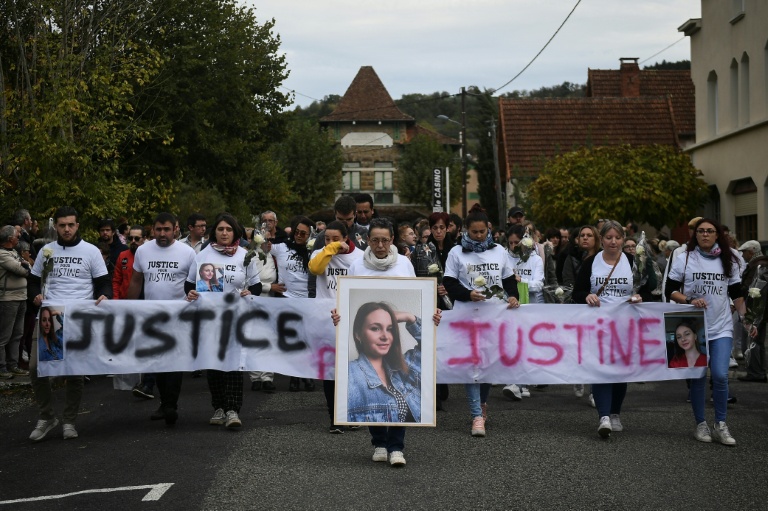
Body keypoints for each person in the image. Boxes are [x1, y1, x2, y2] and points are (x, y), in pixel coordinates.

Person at [332, 217, 438, 467]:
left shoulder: (404, 264)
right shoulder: (357, 265)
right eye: (375, 240)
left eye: (385, 240)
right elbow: (344, 299)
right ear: (368, 240)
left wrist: (417, 316)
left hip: (393, 346)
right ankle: (379, 443)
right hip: (365, 345)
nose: (380, 245)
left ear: (392, 240)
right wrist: (339, 315)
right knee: (371, 388)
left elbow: (419, 293)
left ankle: (396, 447)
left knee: (397, 384)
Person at [28, 206, 112, 441]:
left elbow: (104, 282)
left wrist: (105, 295)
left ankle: (69, 420)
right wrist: (35, 296)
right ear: (56, 226)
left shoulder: (91, 251)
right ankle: (46, 416)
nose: (67, 229)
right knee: (35, 368)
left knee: (75, 372)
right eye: (62, 225)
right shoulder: (46, 251)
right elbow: (33, 281)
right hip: (50, 315)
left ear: (77, 226)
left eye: (71, 225)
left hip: (78, 316)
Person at [666, 218, 748, 446]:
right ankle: (700, 424)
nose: (705, 234)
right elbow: (670, 290)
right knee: (698, 376)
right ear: (695, 235)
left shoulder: (729, 258)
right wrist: (689, 299)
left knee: (720, 375)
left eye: (710, 231)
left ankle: (720, 424)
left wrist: (747, 320)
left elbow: (736, 292)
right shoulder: (685, 258)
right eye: (701, 231)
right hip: (694, 327)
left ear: (717, 234)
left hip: (721, 326)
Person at [443, 204, 520, 437]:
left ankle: (483, 403)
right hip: (466, 316)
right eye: (474, 232)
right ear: (465, 231)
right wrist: (468, 294)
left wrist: (513, 295)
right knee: (472, 365)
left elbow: (508, 279)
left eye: (482, 232)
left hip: (493, 316)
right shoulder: (456, 252)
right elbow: (449, 282)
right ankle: (476, 414)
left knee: (487, 364)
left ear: (489, 229)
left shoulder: (499, 251)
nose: (478, 236)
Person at [186, 213, 261, 429]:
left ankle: (233, 410)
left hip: (236, 318)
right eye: (220, 229)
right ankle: (218, 407)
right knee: (214, 363)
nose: (224, 233)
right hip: (210, 319)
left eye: (228, 229)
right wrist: (191, 293)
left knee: (235, 363)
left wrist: (250, 292)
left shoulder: (245, 255)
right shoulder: (203, 255)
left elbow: (255, 285)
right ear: (214, 232)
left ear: (235, 232)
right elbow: (190, 283)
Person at [574, 220, 642, 439]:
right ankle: (603, 416)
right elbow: (577, 292)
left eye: (618, 238)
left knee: (620, 372)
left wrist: (639, 296)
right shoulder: (591, 262)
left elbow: (648, 288)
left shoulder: (631, 262)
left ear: (623, 239)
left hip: (625, 326)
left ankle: (615, 413)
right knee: (601, 369)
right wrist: (587, 295)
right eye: (609, 237)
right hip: (598, 325)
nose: (613, 242)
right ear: (601, 239)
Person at [128, 212, 197, 426]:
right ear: (152, 230)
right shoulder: (143, 250)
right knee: (157, 361)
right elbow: (136, 281)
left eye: (167, 229)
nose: (162, 233)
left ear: (175, 229)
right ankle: (165, 403)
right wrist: (127, 307)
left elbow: (194, 284)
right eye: (158, 229)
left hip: (179, 316)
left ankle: (170, 406)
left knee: (174, 361)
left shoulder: (187, 253)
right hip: (152, 316)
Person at [308, 220, 363, 433]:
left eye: (335, 238)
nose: (330, 242)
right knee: (331, 370)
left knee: (353, 368)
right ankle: (335, 418)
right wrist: (331, 248)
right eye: (327, 238)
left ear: (346, 237)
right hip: (327, 320)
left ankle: (352, 413)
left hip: (352, 317)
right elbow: (315, 269)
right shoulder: (320, 254)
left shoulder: (359, 257)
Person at [347, 303, 423, 424]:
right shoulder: (348, 374)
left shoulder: (403, 367)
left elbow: (431, 347)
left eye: (390, 329)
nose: (385, 336)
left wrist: (410, 317)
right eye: (375, 328)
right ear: (358, 334)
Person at [411, 212, 454, 410]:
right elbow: (415, 274)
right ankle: (434, 392)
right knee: (430, 346)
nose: (438, 232)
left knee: (445, 346)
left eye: (442, 228)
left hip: (451, 303)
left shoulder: (455, 249)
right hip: (430, 302)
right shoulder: (422, 250)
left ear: (448, 228)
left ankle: (443, 383)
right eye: (434, 228)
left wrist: (448, 288)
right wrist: (431, 286)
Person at [271, 216, 315, 391]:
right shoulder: (282, 247)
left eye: (303, 233)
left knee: (307, 339)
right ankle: (294, 376)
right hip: (287, 299)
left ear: (310, 235)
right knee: (292, 339)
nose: (298, 236)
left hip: (308, 300)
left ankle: (306, 374)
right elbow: (261, 249)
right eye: (296, 232)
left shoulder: (314, 251)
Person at [502, 224, 544, 400]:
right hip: (510, 305)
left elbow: (539, 284)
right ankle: (514, 383)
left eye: (516, 243)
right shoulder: (504, 257)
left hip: (529, 307)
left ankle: (522, 383)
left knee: (525, 345)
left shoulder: (535, 260)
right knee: (511, 344)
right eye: (510, 243)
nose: (513, 246)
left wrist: (521, 280)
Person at [0, 225, 31, 378]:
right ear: (10, 238)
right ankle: (2, 367)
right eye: (16, 236)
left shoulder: (13, 252)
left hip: (21, 297)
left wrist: (25, 265)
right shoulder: (2, 254)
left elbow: (28, 266)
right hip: (8, 299)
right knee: (4, 335)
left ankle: (13, 364)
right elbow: (22, 270)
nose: (19, 237)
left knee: (17, 334)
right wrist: (25, 266)